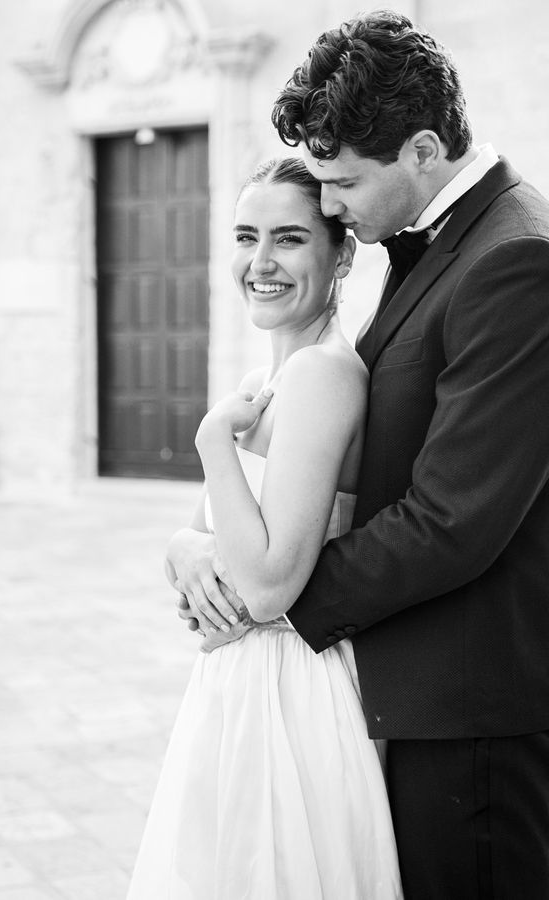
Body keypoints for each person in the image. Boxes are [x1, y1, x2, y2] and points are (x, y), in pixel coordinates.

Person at [170, 10, 549, 900]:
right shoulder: (433, 246)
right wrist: (195, 548)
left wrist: (269, 603)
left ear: (423, 149)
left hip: (475, 712)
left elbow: (453, 520)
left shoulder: (515, 258)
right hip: (409, 692)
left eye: (341, 185)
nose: (329, 201)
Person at [126, 157, 403, 899]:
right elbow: (204, 545)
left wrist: (213, 442)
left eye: (289, 239)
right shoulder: (265, 383)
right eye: (247, 236)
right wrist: (182, 548)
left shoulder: (321, 375)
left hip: (289, 694)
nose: (260, 262)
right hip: (237, 685)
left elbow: (265, 581)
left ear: (340, 253)